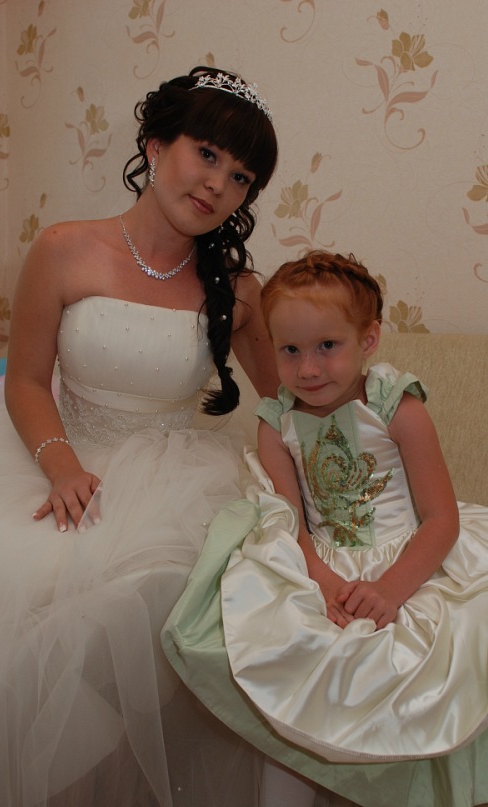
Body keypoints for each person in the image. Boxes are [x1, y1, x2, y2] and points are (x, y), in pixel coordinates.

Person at [0, 66, 280, 806]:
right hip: (59, 461)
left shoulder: (240, 290)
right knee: (18, 631)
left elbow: (290, 402)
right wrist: (62, 466)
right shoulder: (63, 248)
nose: (218, 184)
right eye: (206, 153)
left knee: (155, 596)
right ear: (156, 145)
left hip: (178, 485)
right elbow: (26, 381)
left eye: (240, 176)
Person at [162, 250, 488, 806]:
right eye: (289, 350)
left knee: (434, 660)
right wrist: (321, 581)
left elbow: (442, 519)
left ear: (369, 340)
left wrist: (390, 590)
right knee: (294, 673)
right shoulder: (276, 423)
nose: (307, 369)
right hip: (322, 565)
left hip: (413, 565)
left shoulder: (398, 407)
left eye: (327, 346)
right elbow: (291, 521)